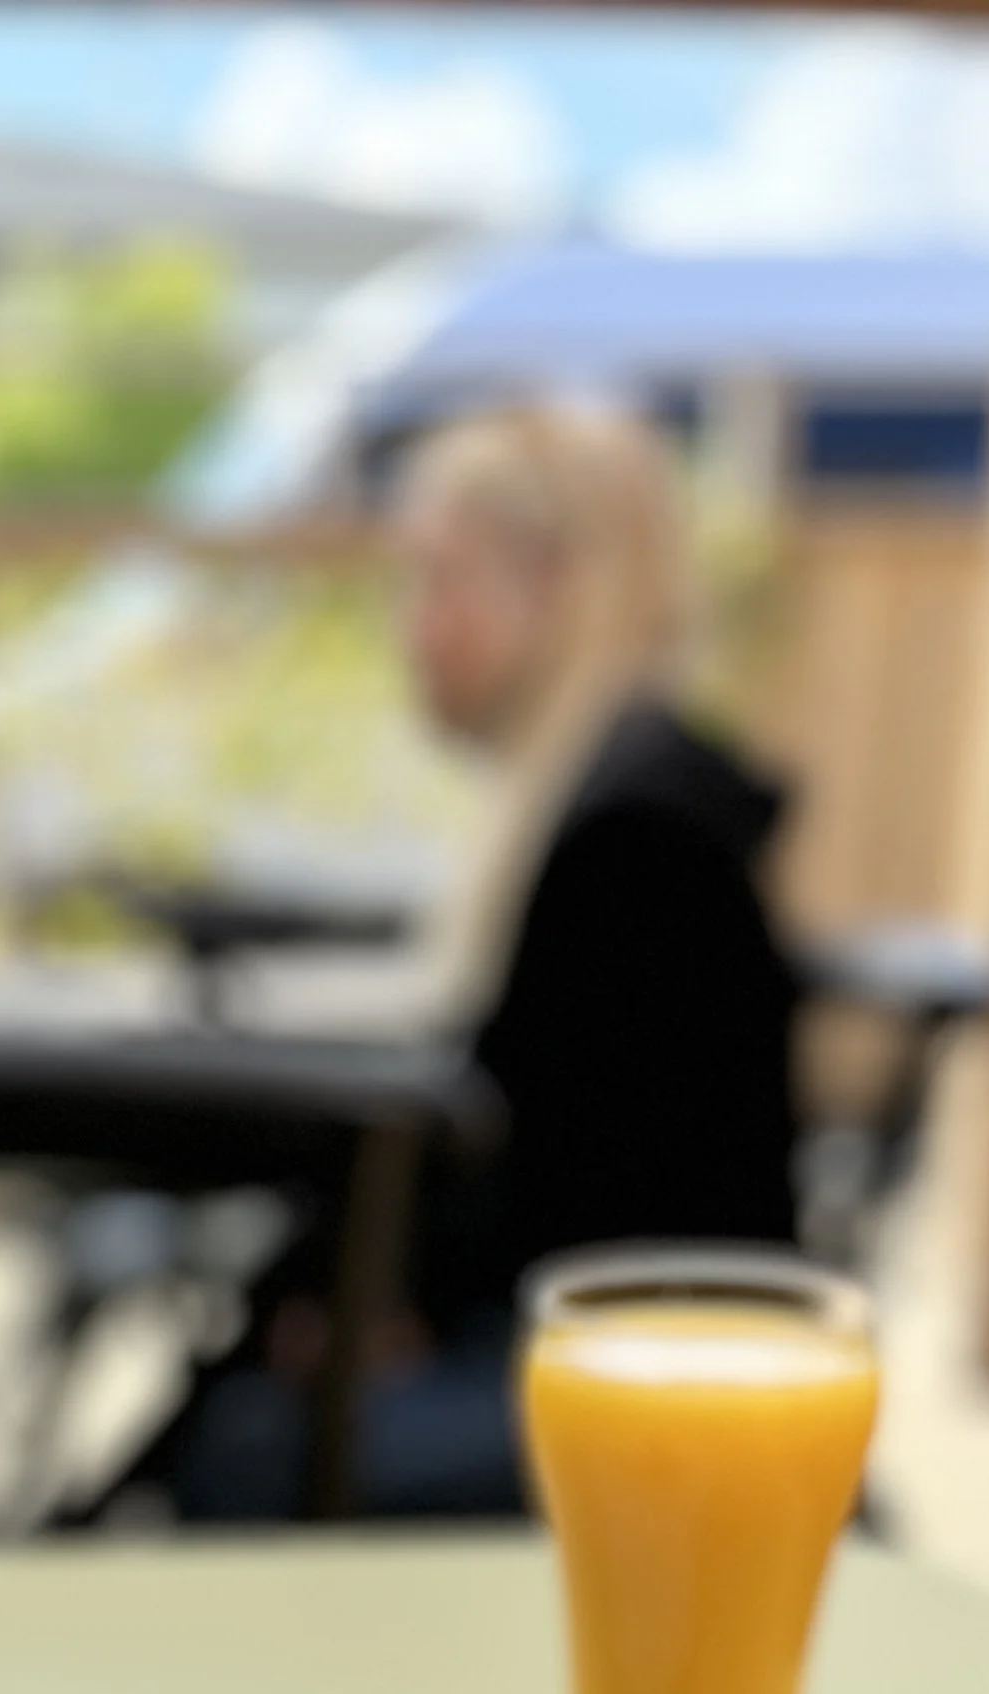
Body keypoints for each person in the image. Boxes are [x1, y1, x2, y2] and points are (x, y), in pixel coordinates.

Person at [170, 401, 799, 1522]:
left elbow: (603, 1202)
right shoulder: (605, 793)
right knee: (243, 1381)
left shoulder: (634, 839)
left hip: (655, 1397)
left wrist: (399, 1303)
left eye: (439, 580)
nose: (413, 628)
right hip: (600, 1350)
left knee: (246, 1449)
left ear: (549, 586)